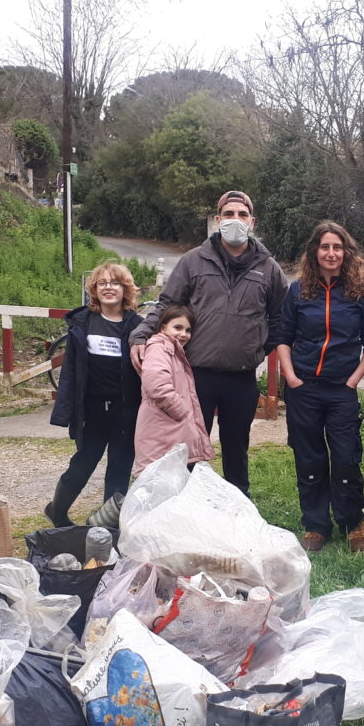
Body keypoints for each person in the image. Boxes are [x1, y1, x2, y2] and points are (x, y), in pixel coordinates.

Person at [131, 190, 288, 496]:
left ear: (252, 221)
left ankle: (238, 506)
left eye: (242, 215)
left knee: (236, 448)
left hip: (241, 377)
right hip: (195, 376)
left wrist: (259, 347)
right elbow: (168, 305)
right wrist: (140, 335)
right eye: (228, 215)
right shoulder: (194, 261)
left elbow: (281, 318)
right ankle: (182, 504)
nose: (235, 221)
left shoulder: (269, 268)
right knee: (186, 446)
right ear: (218, 220)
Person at [273, 221, 364, 554]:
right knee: (309, 457)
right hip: (304, 388)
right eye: (325, 247)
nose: (331, 253)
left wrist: (353, 380)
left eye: (337, 247)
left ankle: (353, 522)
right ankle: (316, 525)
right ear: (314, 252)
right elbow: (282, 338)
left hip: (340, 390)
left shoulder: (361, 292)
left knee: (347, 457)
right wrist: (291, 378)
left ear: (345, 252)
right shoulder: (298, 290)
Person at [46, 260, 143, 526]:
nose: (108, 287)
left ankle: (108, 526)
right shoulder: (83, 322)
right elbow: (70, 373)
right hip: (91, 409)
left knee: (120, 468)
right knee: (84, 462)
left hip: (126, 410)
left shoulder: (138, 326)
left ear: (126, 289)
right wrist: (65, 411)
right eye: (102, 283)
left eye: (115, 283)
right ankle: (56, 511)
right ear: (94, 288)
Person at [133, 305, 215, 476]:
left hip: (170, 430)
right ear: (163, 327)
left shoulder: (174, 351)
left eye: (188, 330)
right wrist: (183, 413)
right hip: (162, 430)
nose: (183, 334)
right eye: (177, 327)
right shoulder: (159, 348)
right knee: (161, 486)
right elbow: (158, 386)